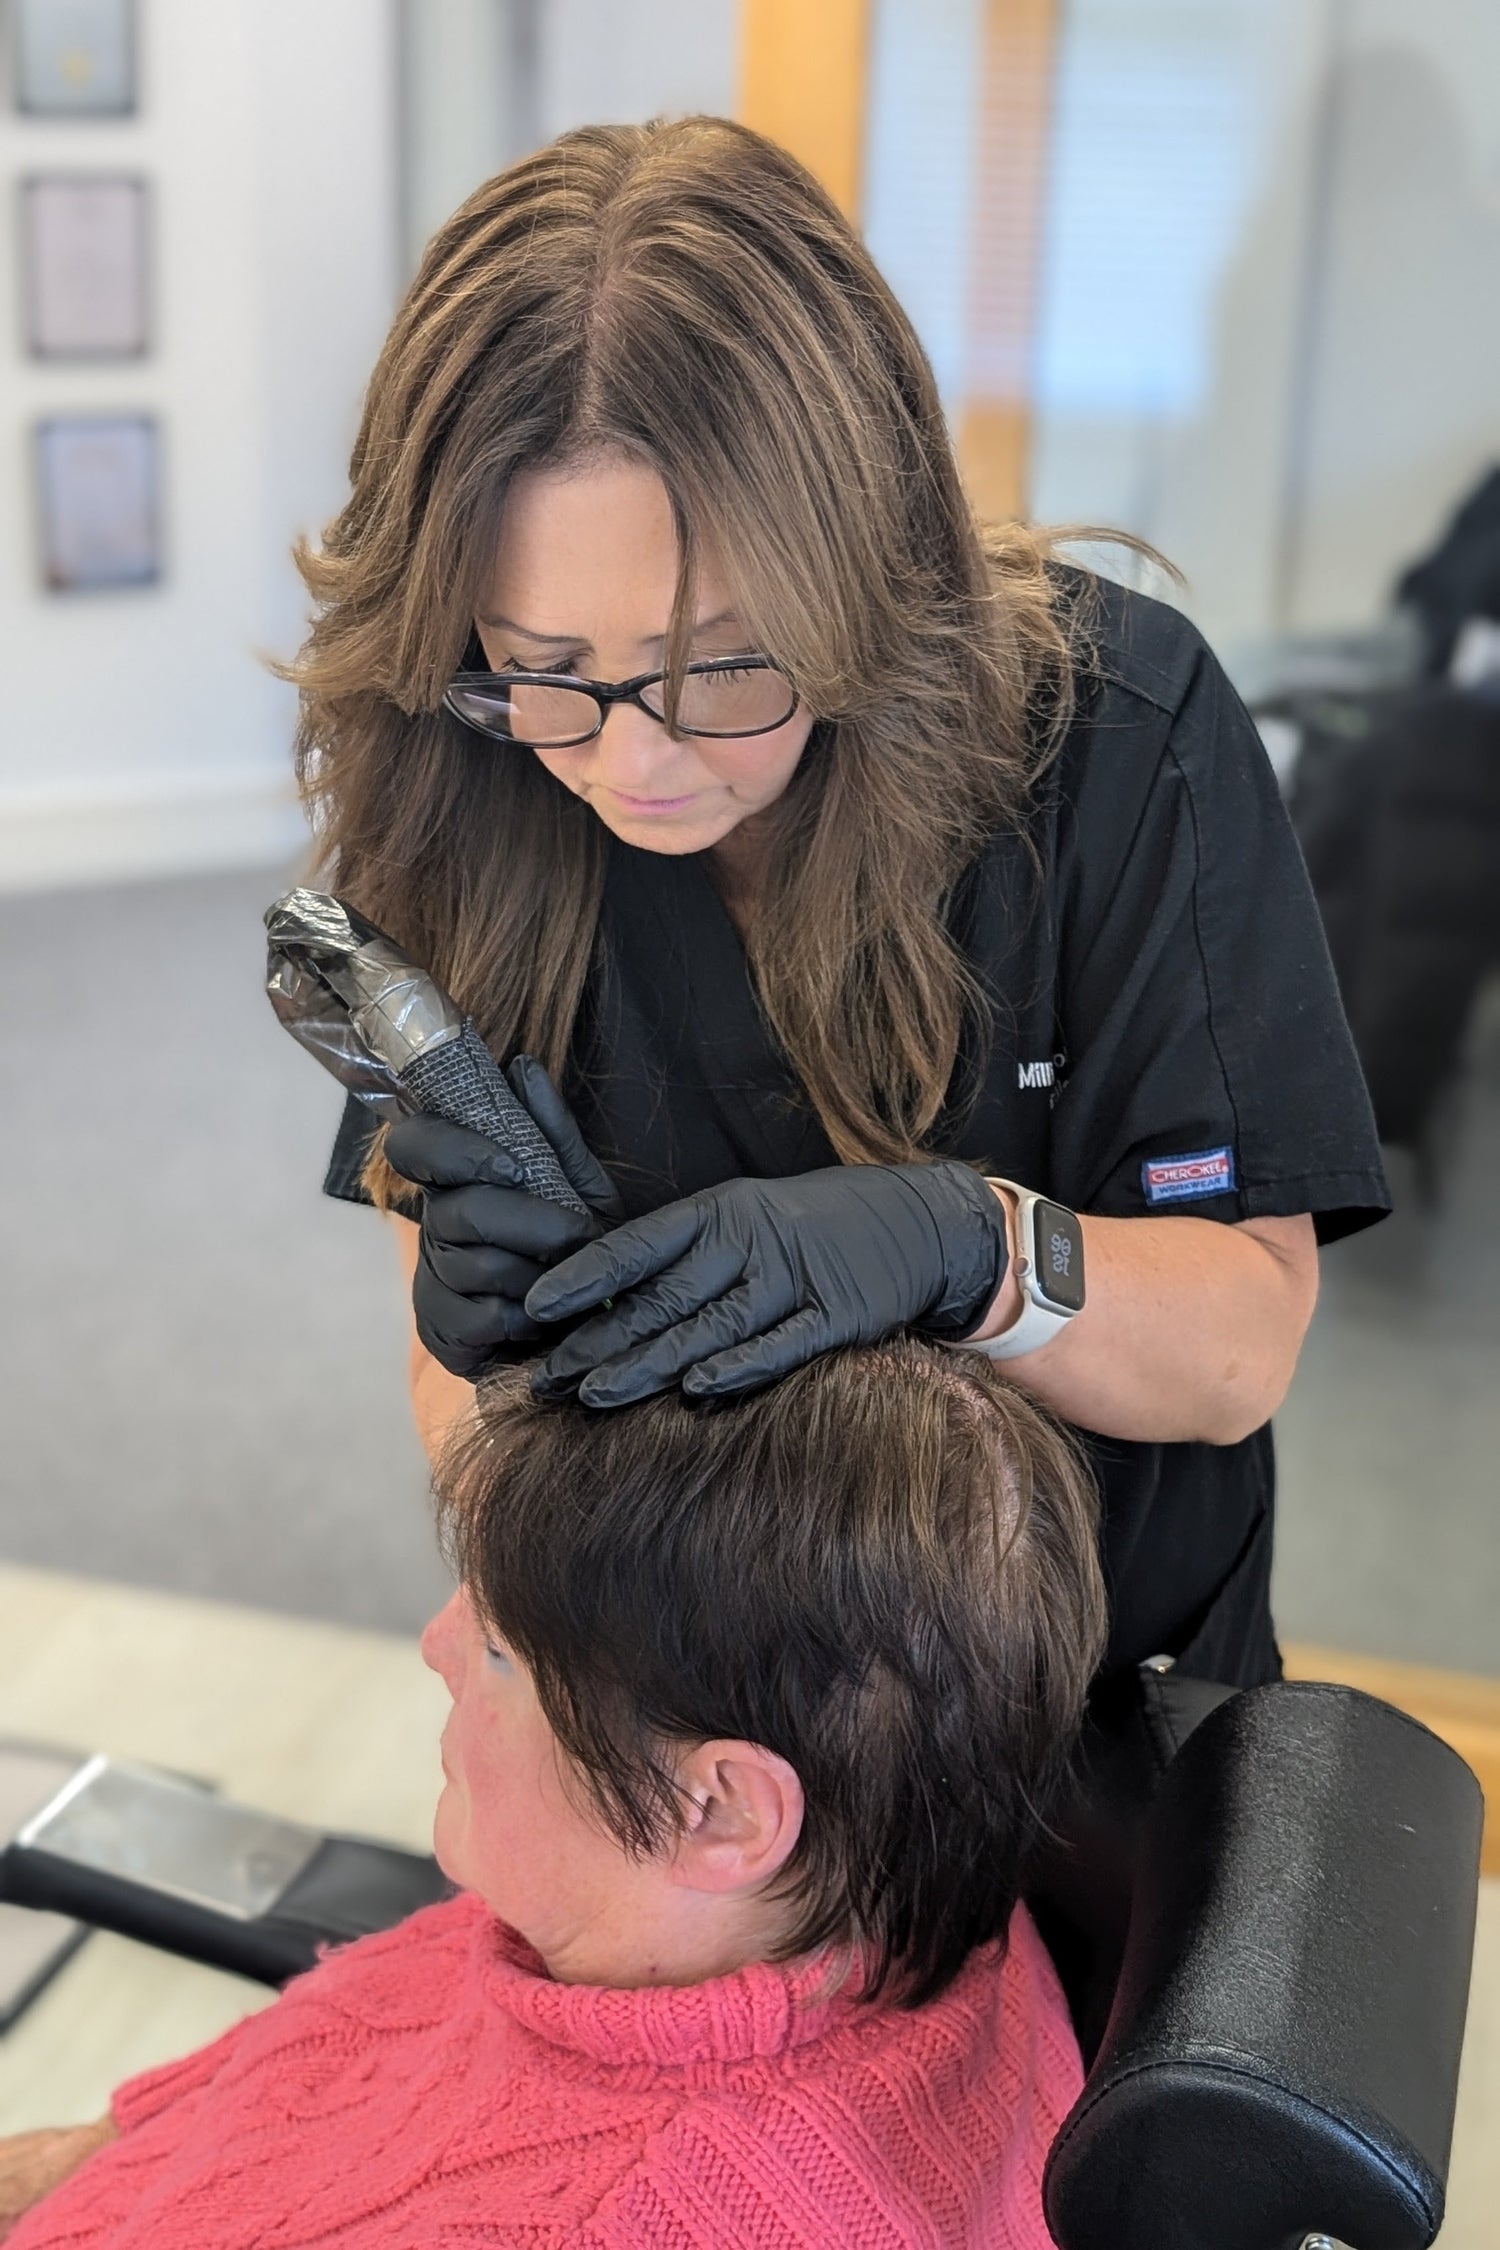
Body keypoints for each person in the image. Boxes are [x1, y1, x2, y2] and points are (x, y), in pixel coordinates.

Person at [296, 115, 1389, 1691]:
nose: (636, 762)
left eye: (724, 663)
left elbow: (1238, 1350)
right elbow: (448, 1384)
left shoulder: (1117, 740)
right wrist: (496, 1398)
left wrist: (976, 1249)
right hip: (677, 1706)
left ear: (866, 569)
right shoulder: (460, 777)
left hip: (1082, 1707)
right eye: (548, 674)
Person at [0, 1339, 1105, 2249]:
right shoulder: (882, 1881)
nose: (435, 1647)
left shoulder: (634, 2211)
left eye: (497, 1653)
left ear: (718, 1810)